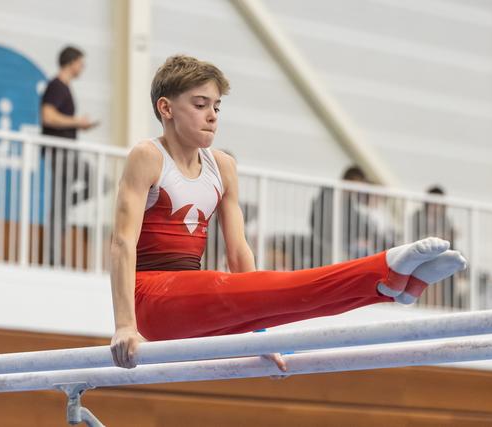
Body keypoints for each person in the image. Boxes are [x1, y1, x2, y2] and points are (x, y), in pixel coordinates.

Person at [109, 55, 467, 371]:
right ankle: (384, 267)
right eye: (200, 104)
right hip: (150, 301)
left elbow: (238, 254)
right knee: (281, 288)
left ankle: (389, 287)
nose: (212, 116)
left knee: (291, 300)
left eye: (217, 106)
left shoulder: (222, 166)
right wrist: (125, 324)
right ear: (166, 108)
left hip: (194, 303)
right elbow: (122, 243)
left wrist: (258, 335)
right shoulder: (148, 157)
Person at [40, 46, 98, 266]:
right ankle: (53, 257)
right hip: (60, 152)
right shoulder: (56, 86)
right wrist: (77, 122)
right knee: (95, 179)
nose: (82, 68)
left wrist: (79, 126)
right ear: (71, 62)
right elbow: (48, 116)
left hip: (65, 152)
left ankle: (54, 255)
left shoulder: (63, 88)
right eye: (81, 63)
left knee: (60, 206)